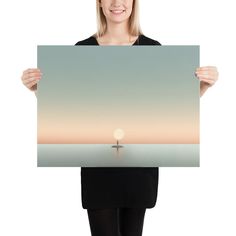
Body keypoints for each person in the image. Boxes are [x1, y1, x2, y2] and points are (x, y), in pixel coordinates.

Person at [21, 0, 219, 235]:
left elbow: (168, 112)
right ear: (100, 3)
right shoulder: (81, 51)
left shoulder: (153, 50)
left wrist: (203, 87)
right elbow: (69, 115)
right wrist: (38, 90)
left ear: (134, 3)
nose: (117, 3)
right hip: (98, 169)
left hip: (140, 168)